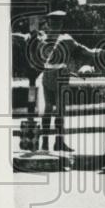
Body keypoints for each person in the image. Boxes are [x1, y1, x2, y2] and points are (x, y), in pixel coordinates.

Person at [36, 10, 100, 153]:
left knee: (50, 110)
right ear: (59, 23)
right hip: (57, 77)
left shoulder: (45, 38)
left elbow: (84, 51)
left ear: (50, 23)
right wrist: (97, 52)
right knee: (57, 111)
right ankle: (54, 143)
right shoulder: (64, 39)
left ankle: (48, 144)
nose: (55, 25)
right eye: (57, 23)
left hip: (49, 76)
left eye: (55, 23)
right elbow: (85, 51)